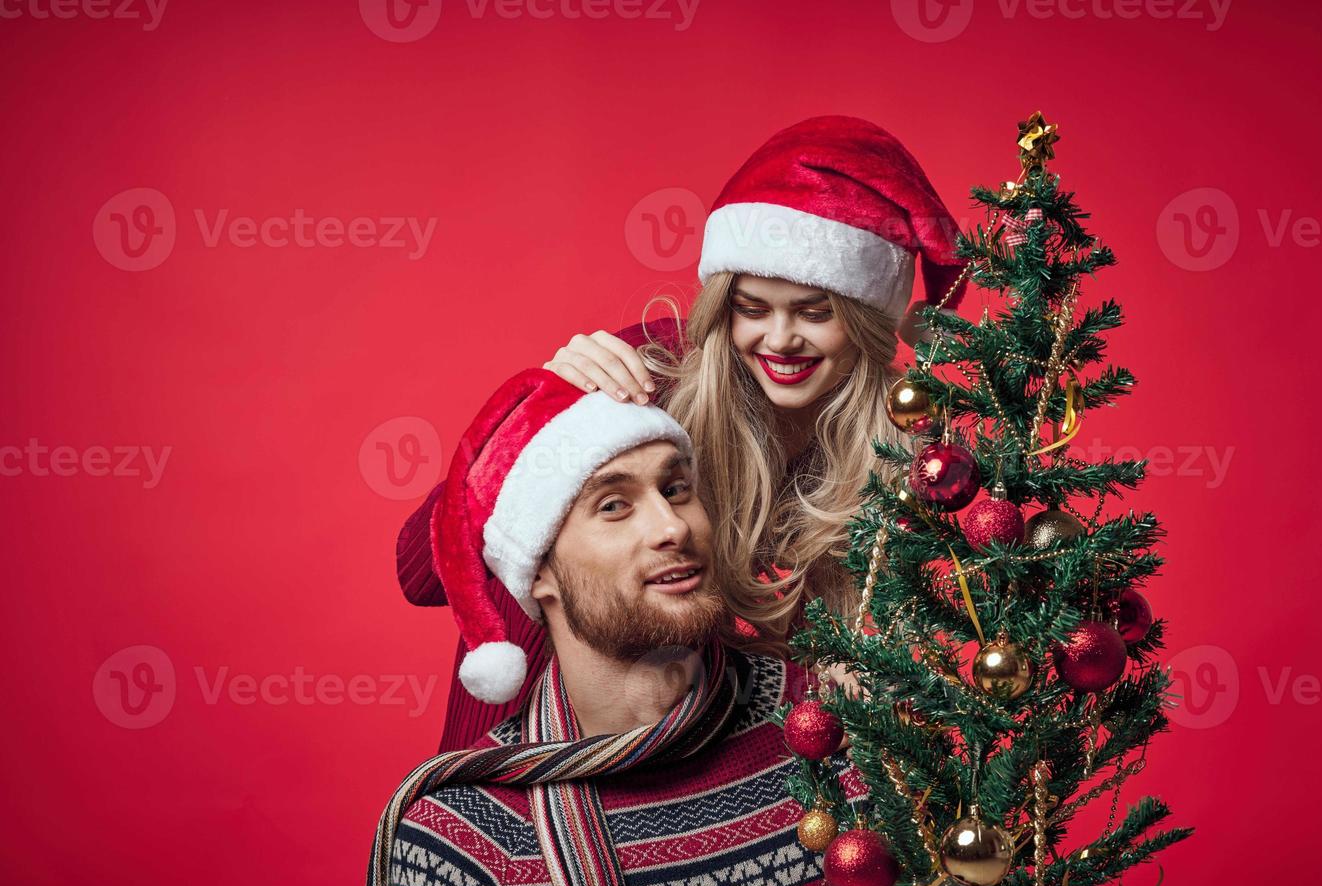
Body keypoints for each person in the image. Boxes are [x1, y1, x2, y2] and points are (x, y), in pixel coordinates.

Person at [365, 369, 1018, 886]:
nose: (672, 526)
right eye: (614, 506)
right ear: (539, 570)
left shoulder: (827, 730)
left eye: (677, 489)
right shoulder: (459, 839)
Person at [397, 115, 971, 751]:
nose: (779, 340)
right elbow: (418, 572)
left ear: (867, 322)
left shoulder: (903, 444)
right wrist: (526, 422)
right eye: (752, 309)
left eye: (814, 313)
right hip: (527, 752)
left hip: (710, 774)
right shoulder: (649, 373)